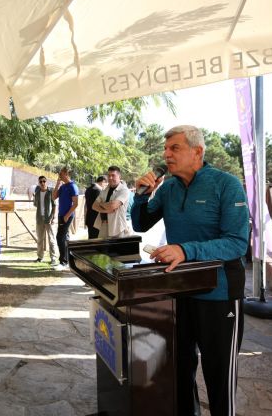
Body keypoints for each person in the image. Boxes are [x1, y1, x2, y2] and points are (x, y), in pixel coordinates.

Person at [131, 125, 249, 415]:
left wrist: (185, 250)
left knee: (219, 374)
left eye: (174, 148)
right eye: (165, 148)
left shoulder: (226, 184)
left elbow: (237, 243)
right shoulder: (169, 187)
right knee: (180, 368)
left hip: (220, 293)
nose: (166, 154)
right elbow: (140, 224)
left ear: (197, 151)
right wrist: (141, 195)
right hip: (180, 290)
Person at [92, 166, 132, 239]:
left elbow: (112, 206)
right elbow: (94, 206)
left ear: (119, 176)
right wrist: (105, 210)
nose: (110, 178)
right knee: (102, 249)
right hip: (103, 225)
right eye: (109, 175)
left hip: (117, 227)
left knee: (116, 250)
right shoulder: (105, 190)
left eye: (113, 175)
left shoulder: (124, 190)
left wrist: (100, 204)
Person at [52, 166, 78, 269]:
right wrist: (57, 184)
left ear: (66, 174)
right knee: (65, 238)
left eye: (61, 174)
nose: (59, 175)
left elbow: (75, 204)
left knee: (60, 237)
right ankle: (67, 260)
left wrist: (67, 215)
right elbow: (54, 197)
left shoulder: (72, 186)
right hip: (61, 215)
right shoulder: (62, 186)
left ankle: (63, 262)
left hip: (67, 216)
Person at [33, 176, 57, 266]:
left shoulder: (51, 192)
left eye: (44, 181)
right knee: (40, 239)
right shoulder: (37, 192)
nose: (42, 183)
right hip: (39, 218)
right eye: (41, 182)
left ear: (46, 182)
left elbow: (54, 205)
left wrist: (53, 217)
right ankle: (40, 257)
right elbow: (35, 204)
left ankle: (53, 258)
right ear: (39, 183)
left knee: (51, 239)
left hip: (49, 218)